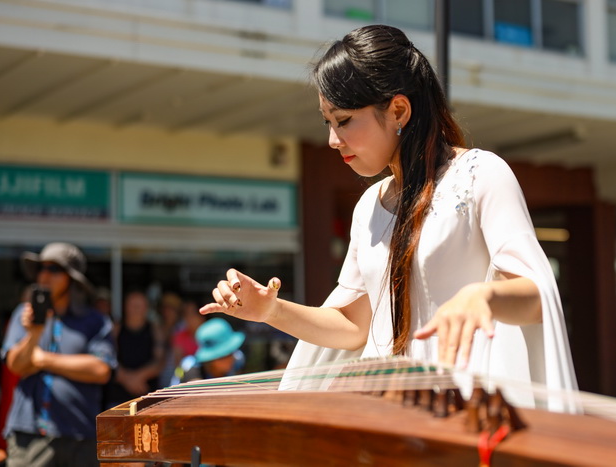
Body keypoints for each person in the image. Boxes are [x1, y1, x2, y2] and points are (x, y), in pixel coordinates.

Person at [200, 25, 577, 407]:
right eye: (327, 122)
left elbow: (536, 295)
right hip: (386, 412)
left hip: (463, 409)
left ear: (398, 109)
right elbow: (353, 326)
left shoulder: (482, 174)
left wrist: (486, 296)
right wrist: (272, 310)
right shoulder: (368, 207)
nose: (333, 139)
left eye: (344, 120)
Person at [0, 242, 116, 466]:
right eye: (41, 268)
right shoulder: (22, 316)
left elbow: (101, 370)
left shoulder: (95, 321)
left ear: (71, 279)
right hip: (30, 436)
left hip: (80, 436)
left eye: (54, 270)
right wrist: (34, 334)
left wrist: (43, 360)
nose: (44, 275)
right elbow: (16, 365)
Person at [104, 290, 165, 408]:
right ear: (125, 307)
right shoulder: (115, 329)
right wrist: (126, 379)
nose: (136, 309)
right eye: (133, 305)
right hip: (118, 397)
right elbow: (108, 358)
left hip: (148, 396)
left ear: (147, 308)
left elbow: (160, 361)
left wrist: (139, 377)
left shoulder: (156, 330)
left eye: (140, 305)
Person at [179, 318, 245, 383]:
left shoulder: (238, 359)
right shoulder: (191, 369)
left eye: (231, 352)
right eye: (223, 356)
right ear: (210, 360)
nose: (230, 359)